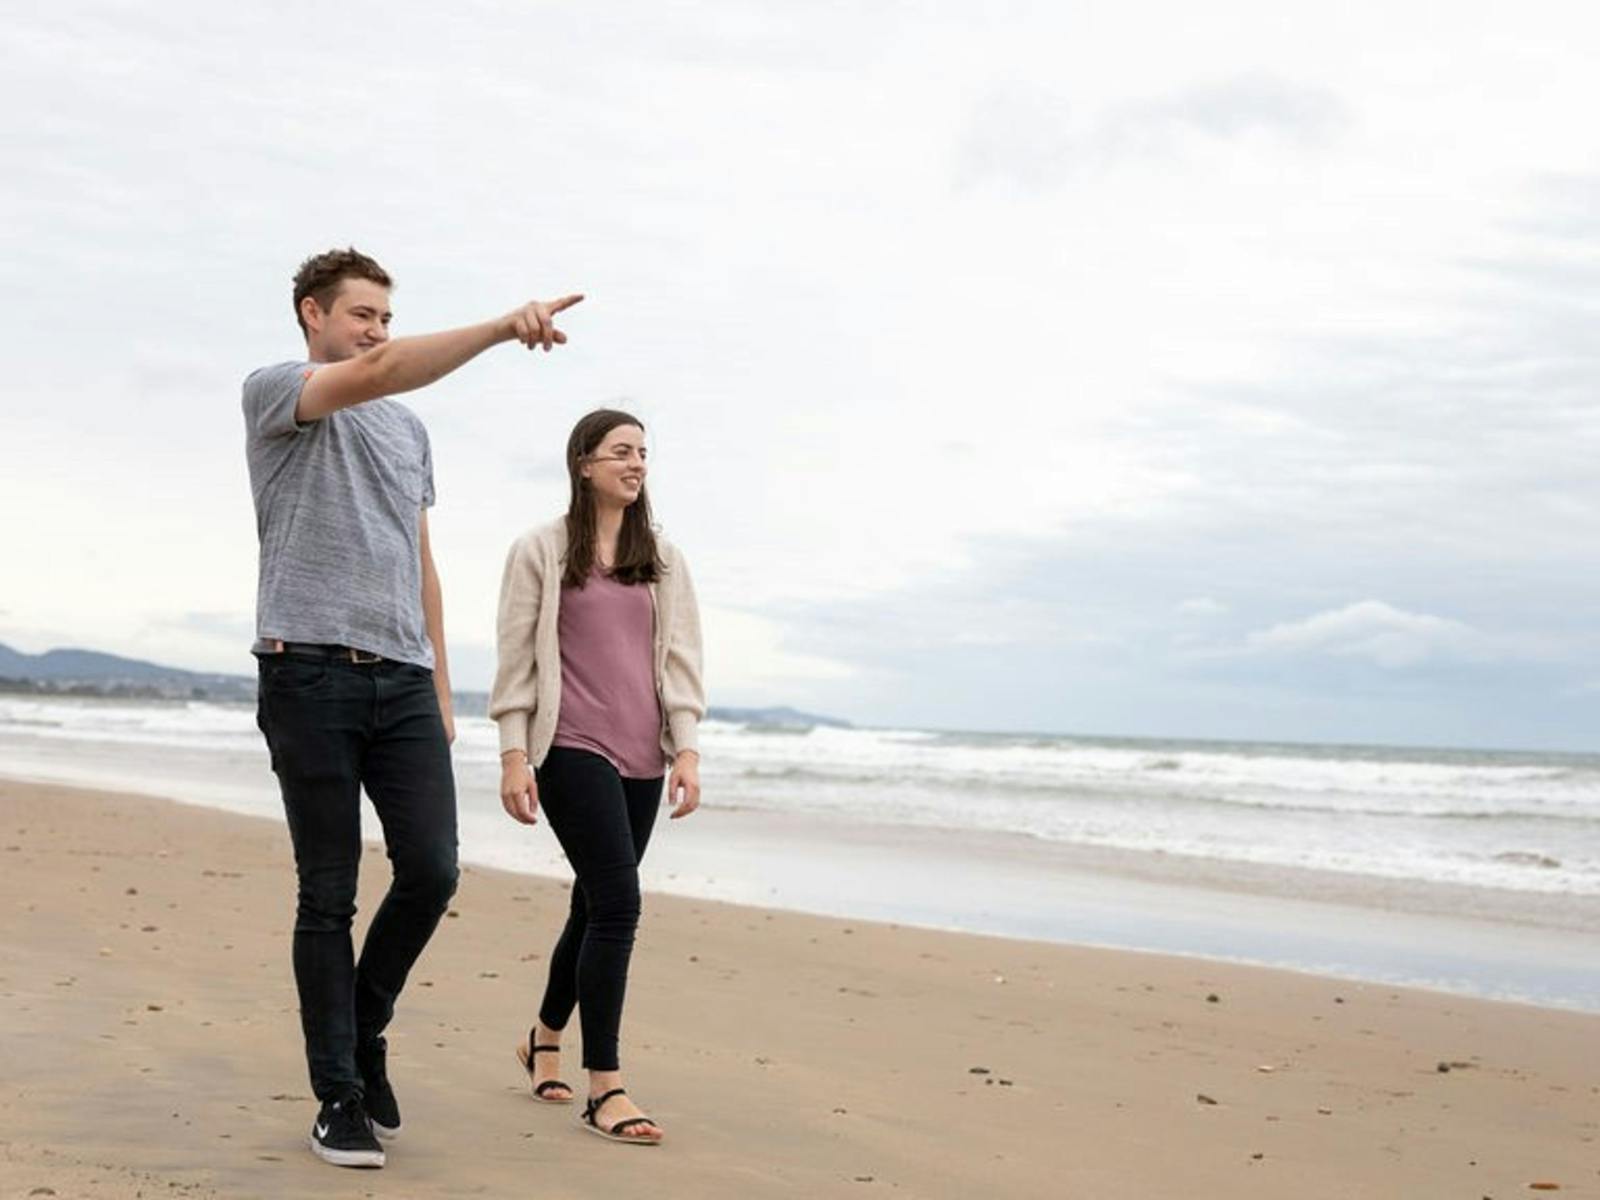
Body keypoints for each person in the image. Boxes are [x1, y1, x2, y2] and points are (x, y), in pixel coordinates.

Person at [243, 246, 581, 1168]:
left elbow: (417, 557)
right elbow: (380, 373)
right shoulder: (276, 391)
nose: (377, 333)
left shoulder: (407, 434)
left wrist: (437, 685)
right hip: (307, 672)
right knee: (330, 891)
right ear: (313, 314)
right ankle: (339, 1094)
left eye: (386, 317)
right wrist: (507, 327)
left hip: (401, 678)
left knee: (432, 869)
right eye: (361, 315)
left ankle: (364, 1027)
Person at [490, 408, 705, 1146]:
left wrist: (688, 747)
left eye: (644, 452)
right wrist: (514, 754)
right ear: (583, 462)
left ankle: (542, 1037)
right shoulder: (541, 550)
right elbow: (517, 657)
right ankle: (604, 1087)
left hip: (643, 751)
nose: (636, 463)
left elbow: (680, 661)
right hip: (570, 746)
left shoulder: (664, 559)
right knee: (619, 903)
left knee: (592, 904)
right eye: (621, 451)